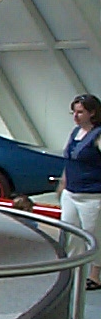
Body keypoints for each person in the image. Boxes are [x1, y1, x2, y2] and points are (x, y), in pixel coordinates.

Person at [58, 93, 101, 290]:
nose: (75, 116)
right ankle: (74, 270)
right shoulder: (75, 132)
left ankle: (95, 274)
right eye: (74, 112)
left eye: (80, 112)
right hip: (71, 192)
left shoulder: (98, 135)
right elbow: (70, 161)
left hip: (92, 195)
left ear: (92, 113)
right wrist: (63, 183)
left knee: (93, 234)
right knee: (71, 232)